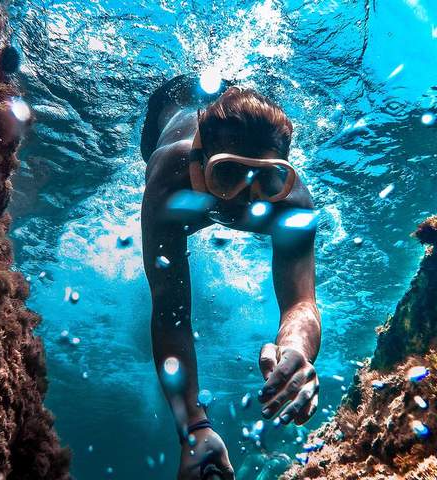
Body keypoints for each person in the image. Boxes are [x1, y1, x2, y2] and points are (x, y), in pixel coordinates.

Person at [140, 75, 321, 480]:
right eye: (227, 175)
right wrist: (194, 428)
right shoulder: (169, 177)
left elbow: (301, 303)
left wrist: (296, 349)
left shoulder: (292, 203)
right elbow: (170, 312)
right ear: (198, 161)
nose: (247, 201)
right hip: (168, 102)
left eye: (266, 179)